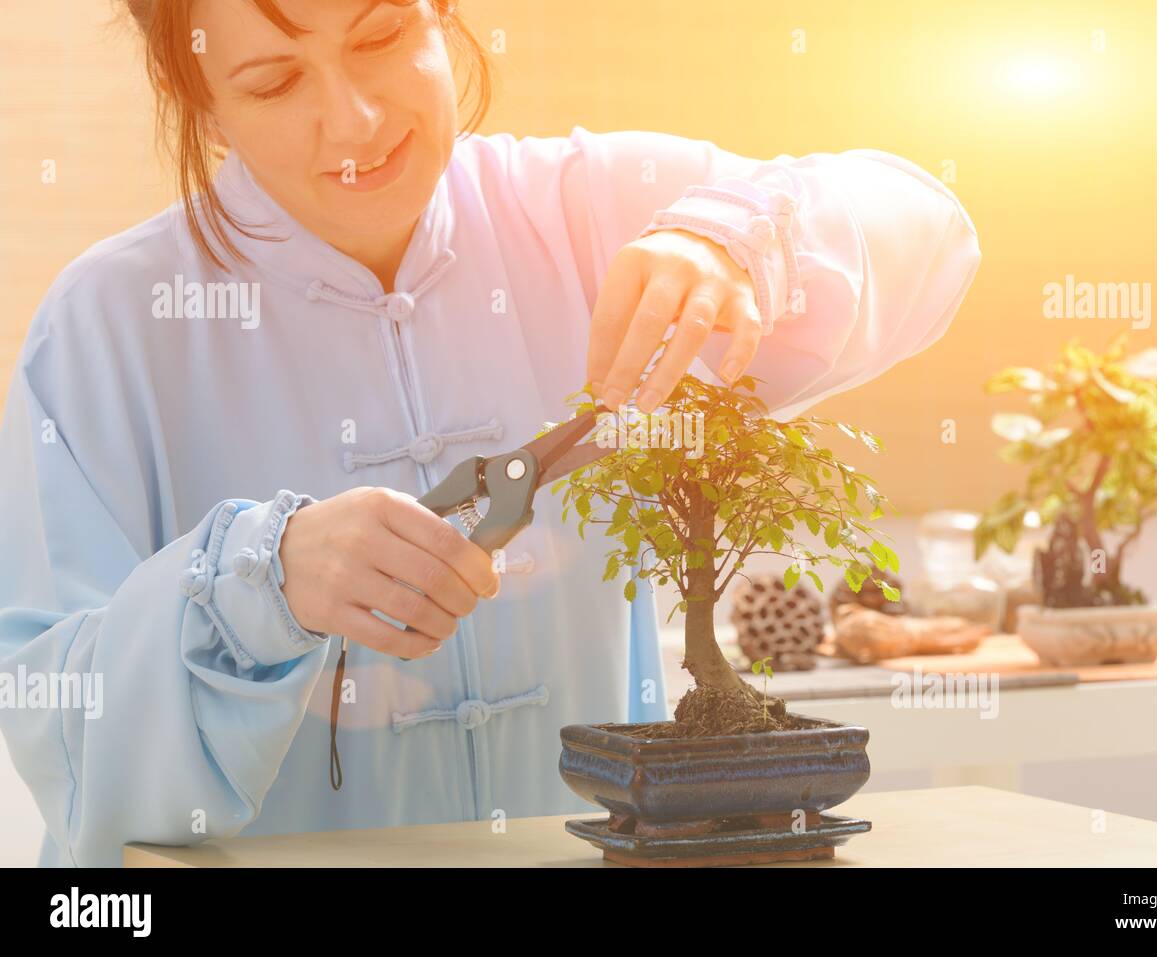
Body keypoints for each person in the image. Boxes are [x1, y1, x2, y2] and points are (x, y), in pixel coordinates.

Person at [0, 0, 980, 867]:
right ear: (203, 101)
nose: (355, 119)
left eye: (381, 34)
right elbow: (66, 738)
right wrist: (260, 580)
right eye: (273, 81)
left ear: (443, 16)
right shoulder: (113, 322)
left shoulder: (587, 209)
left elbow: (928, 235)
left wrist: (729, 235)